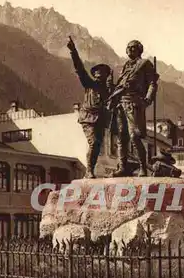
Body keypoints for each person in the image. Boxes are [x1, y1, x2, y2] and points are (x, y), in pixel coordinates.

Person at [108, 40, 159, 177]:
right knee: (121, 137)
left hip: (134, 103)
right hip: (120, 104)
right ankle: (123, 167)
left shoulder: (144, 64)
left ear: (139, 50)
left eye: (133, 48)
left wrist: (148, 99)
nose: (130, 50)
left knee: (134, 136)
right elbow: (121, 86)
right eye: (128, 48)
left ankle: (143, 167)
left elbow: (152, 83)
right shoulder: (125, 67)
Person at [67, 36, 113, 178]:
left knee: (98, 145)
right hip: (88, 117)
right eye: (97, 74)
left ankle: (90, 170)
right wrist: (73, 51)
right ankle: (89, 171)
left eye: (103, 74)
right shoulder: (89, 84)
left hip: (100, 120)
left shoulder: (108, 90)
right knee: (94, 143)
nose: (100, 76)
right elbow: (79, 68)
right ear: (94, 75)